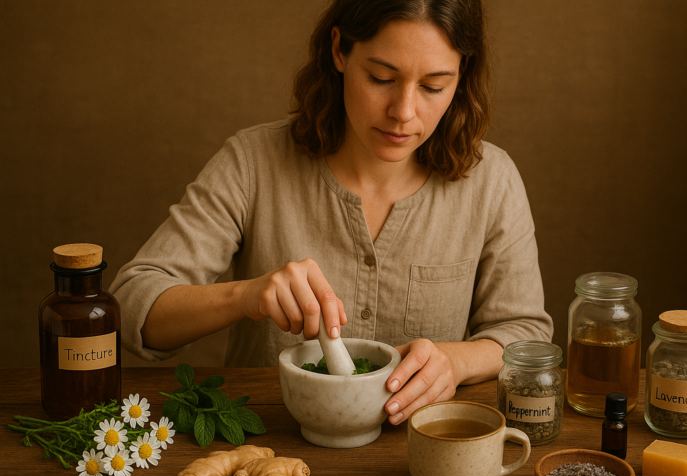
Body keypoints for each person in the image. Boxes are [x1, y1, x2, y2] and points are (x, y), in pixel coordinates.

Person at [110, 0, 553, 425]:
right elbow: (132, 307)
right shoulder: (252, 162)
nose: (403, 112)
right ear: (339, 50)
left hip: (422, 458)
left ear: (463, 75)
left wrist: (455, 361)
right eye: (381, 78)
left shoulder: (492, 180)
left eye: (434, 86)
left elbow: (526, 332)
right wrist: (245, 296)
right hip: (267, 446)